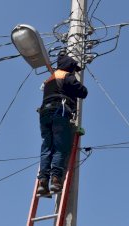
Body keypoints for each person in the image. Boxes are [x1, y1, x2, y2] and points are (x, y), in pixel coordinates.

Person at [37, 55, 88, 195]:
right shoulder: (66, 76)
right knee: (61, 146)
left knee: (47, 147)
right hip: (59, 113)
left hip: (44, 115)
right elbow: (83, 92)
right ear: (69, 67)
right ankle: (56, 179)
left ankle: (42, 181)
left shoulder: (49, 79)